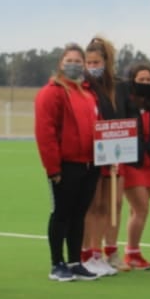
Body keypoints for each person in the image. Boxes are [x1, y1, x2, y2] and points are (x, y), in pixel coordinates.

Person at [34, 44, 99, 281]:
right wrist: (53, 168)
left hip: (89, 164)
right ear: (61, 63)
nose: (75, 64)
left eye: (79, 60)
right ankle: (56, 263)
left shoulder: (87, 93)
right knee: (61, 213)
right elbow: (46, 133)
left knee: (78, 215)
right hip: (65, 166)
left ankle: (74, 261)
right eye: (69, 60)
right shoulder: (51, 93)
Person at [81, 37, 122, 276]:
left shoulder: (113, 88)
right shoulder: (82, 88)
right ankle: (85, 252)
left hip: (109, 154)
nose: (93, 66)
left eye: (97, 62)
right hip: (88, 155)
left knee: (105, 206)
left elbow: (119, 121)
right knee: (91, 205)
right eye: (89, 62)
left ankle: (97, 253)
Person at [119, 61, 150, 271]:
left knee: (137, 210)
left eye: (148, 79)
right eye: (140, 79)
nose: (145, 83)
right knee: (141, 207)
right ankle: (131, 253)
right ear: (132, 81)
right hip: (131, 162)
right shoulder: (126, 102)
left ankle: (132, 250)